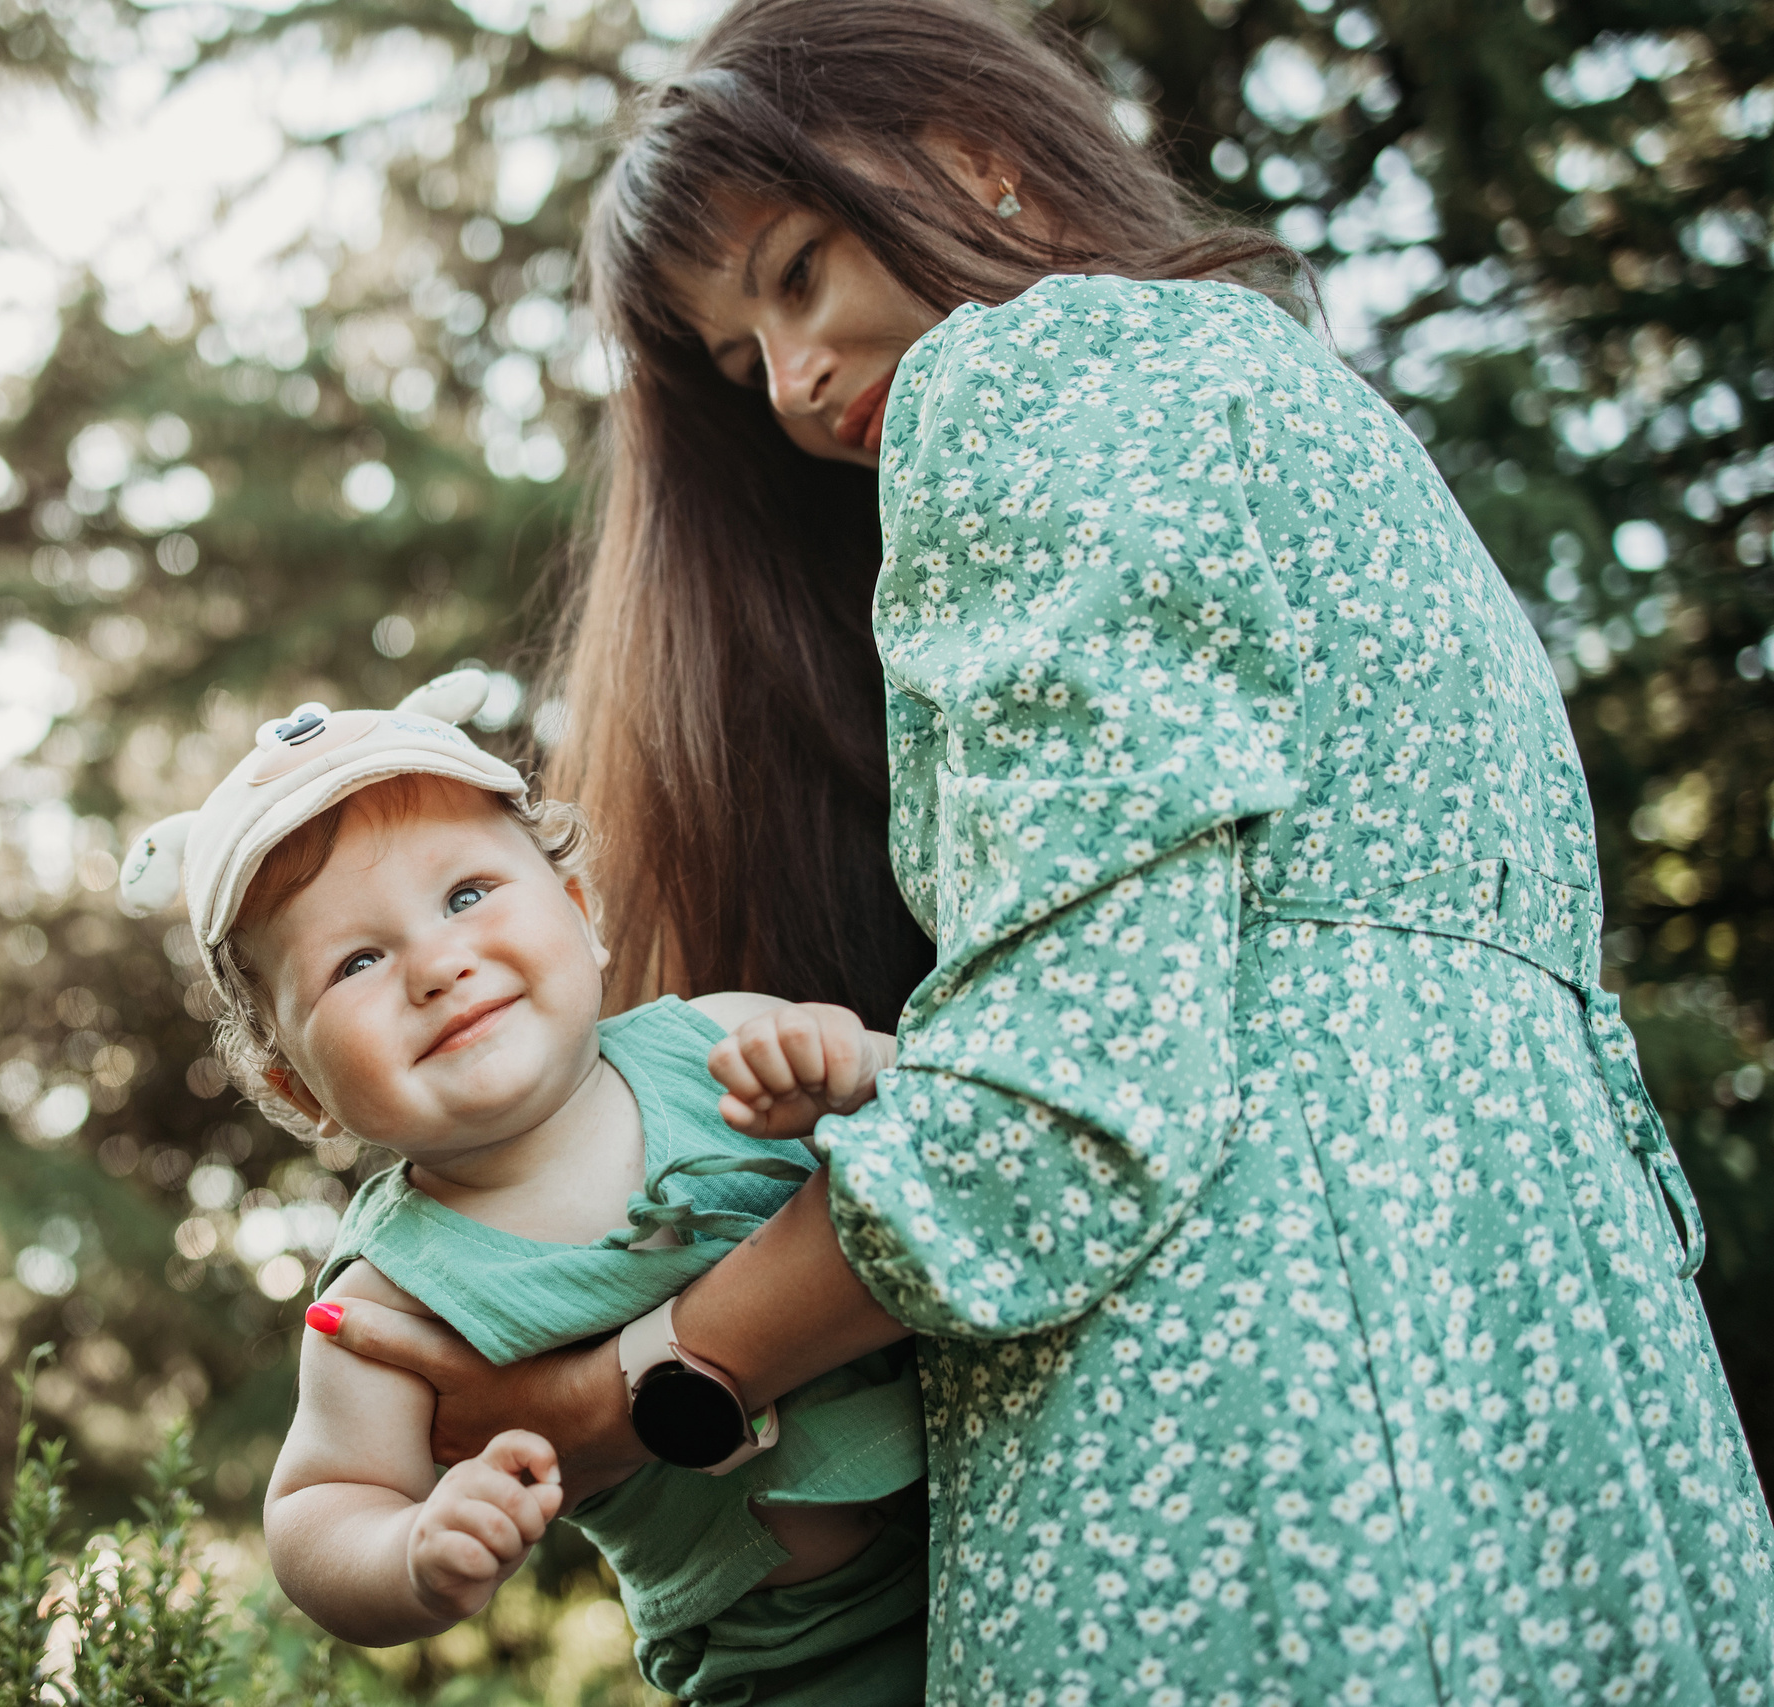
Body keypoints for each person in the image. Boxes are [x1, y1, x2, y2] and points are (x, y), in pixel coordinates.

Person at [307, 0, 1774, 1700]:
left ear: (975, 159)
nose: (790, 383)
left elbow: (1052, 1104)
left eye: (794, 274)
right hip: (1552, 1362)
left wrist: (618, 1390)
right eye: (737, 360)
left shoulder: (1030, 373)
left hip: (1252, 1396)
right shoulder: (1282, 399)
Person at [118, 671, 933, 1705]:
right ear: (295, 1087)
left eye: (465, 895)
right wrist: (412, 1551)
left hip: (996, 1493)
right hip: (796, 1661)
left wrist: (853, 1065)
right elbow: (320, 1507)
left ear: (581, 912)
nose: (436, 964)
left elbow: (961, 1123)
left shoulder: (722, 1034)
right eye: (356, 960)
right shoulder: (392, 1295)